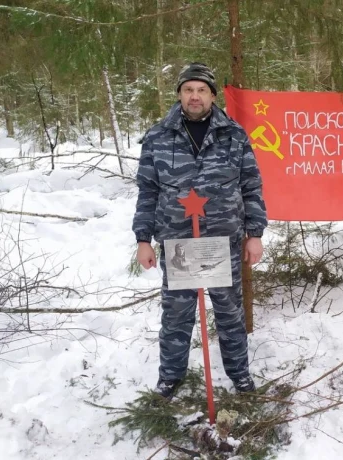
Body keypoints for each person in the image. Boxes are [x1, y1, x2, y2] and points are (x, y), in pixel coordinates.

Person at [132, 62, 267, 400]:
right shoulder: (158, 136)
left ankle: (239, 375)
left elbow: (251, 187)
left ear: (211, 95)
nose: (195, 96)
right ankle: (170, 377)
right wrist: (142, 240)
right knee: (176, 316)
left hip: (223, 242)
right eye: (188, 90)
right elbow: (147, 191)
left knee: (229, 313)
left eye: (201, 90)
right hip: (178, 243)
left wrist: (255, 233)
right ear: (179, 94)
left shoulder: (233, 135)